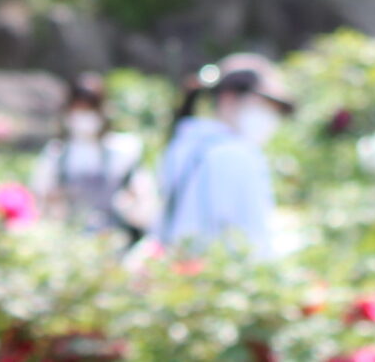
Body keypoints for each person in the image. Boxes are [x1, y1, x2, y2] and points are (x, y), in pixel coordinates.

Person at [154, 53, 293, 260]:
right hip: (222, 279)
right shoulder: (237, 154)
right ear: (229, 98)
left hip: (179, 273)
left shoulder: (182, 143)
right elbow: (255, 239)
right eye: (263, 106)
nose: (268, 119)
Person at [32, 73, 148, 237]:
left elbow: (143, 200)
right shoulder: (57, 154)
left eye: (90, 109)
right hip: (70, 239)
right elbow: (40, 198)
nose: (83, 116)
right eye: (78, 109)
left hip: (114, 237)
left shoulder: (123, 150)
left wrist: (129, 206)